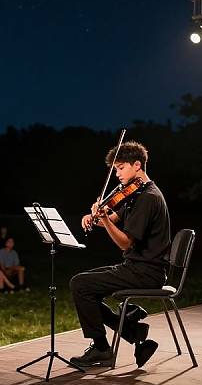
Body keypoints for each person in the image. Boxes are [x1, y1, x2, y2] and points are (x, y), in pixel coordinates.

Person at [69, 141, 171, 368]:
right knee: (83, 286)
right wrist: (96, 217)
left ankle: (103, 350)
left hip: (146, 271)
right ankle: (132, 331)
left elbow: (125, 243)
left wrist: (104, 218)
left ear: (137, 165)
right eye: (115, 169)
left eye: (121, 168)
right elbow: (114, 219)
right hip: (138, 267)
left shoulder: (148, 197)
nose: (117, 174)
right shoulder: (137, 194)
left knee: (80, 285)